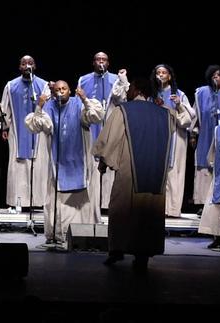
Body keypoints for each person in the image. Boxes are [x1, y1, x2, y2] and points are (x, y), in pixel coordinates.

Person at [93, 78, 174, 271]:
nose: (127, 92)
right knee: (147, 211)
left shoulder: (123, 111)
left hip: (129, 168)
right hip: (155, 171)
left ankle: (117, 250)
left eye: (130, 88)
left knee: (122, 208)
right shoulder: (165, 114)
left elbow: (111, 139)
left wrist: (104, 161)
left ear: (137, 89)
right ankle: (142, 256)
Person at [25, 80, 104, 247]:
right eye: (58, 89)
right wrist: (39, 106)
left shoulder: (79, 104)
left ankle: (75, 238)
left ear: (70, 91)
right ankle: (55, 236)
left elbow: (96, 116)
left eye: (64, 89)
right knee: (55, 202)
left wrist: (85, 99)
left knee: (77, 203)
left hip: (78, 162)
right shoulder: (49, 106)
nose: (61, 92)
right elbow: (36, 126)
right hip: (57, 164)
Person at [0, 55, 51, 211]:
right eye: (23, 63)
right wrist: (4, 128)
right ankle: (18, 201)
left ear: (34, 66)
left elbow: (49, 110)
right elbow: (5, 108)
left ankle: (39, 201)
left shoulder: (44, 85)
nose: (27, 66)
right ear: (19, 67)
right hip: (17, 133)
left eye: (30, 63)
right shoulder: (11, 86)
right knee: (18, 167)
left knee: (39, 165)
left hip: (40, 135)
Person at [77, 52, 120, 219]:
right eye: (97, 59)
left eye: (104, 60)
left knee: (109, 164)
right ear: (93, 62)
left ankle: (108, 206)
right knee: (92, 167)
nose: (100, 62)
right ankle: (92, 207)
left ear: (108, 63)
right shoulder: (84, 79)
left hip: (110, 123)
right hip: (91, 125)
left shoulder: (117, 80)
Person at [151, 64, 195, 217]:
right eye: (158, 73)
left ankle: (173, 209)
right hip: (157, 138)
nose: (161, 75)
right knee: (158, 173)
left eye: (164, 73)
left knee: (174, 173)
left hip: (176, 137)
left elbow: (189, 119)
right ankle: (158, 208)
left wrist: (178, 105)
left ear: (169, 76)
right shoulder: (153, 95)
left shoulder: (179, 94)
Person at [191, 65, 220, 213]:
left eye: (219, 75)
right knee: (204, 168)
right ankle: (204, 205)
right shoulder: (202, 92)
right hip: (206, 136)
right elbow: (195, 115)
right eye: (214, 75)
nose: (216, 77)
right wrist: (193, 133)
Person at [198, 100, 220, 249]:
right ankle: (218, 236)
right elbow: (213, 149)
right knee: (216, 206)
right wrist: (213, 164)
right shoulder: (219, 129)